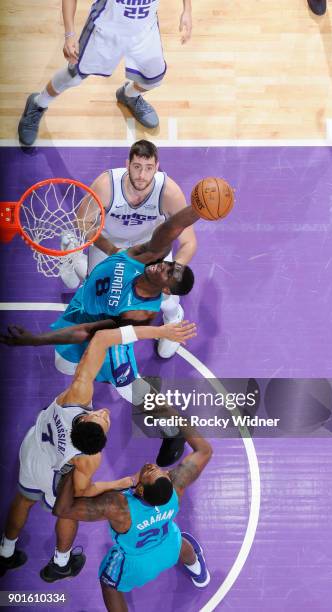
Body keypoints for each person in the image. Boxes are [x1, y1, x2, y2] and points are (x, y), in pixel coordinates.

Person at [0, 320, 196, 583]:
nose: (104, 413)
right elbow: (82, 493)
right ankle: (61, 563)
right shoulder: (87, 458)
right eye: (103, 419)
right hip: (53, 472)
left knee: (22, 500)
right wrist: (121, 482)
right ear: (82, 423)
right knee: (70, 512)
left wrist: (159, 332)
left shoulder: (75, 396)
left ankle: (5, 552)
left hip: (34, 447)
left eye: (102, 419)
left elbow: (103, 338)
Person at [0, 204, 202, 407]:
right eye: (169, 265)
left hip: (99, 326)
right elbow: (170, 229)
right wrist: (198, 209)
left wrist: (35, 339)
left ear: (165, 289)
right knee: (64, 364)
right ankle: (73, 256)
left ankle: (170, 421)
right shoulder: (146, 257)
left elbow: (89, 331)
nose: (163, 265)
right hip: (86, 296)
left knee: (125, 384)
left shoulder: (139, 312)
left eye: (167, 273)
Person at [53, 412, 212, 611]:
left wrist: (72, 465)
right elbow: (204, 451)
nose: (151, 466)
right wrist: (173, 415)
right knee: (178, 539)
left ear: (140, 489)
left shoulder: (117, 506)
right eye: (157, 470)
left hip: (137, 564)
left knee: (109, 583)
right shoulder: (176, 485)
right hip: (169, 546)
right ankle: (199, 572)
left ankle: (196, 567)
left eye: (149, 472)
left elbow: (63, 509)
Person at [62, 139, 197, 359]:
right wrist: (114, 251)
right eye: (137, 167)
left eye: (148, 168)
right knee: (98, 293)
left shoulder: (169, 192)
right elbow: (82, 221)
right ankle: (74, 257)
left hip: (151, 248)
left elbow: (189, 242)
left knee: (166, 297)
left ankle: (174, 316)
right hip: (109, 244)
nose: (142, 175)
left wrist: (174, 274)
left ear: (156, 166)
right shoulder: (107, 184)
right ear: (127, 164)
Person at [17, 0, 193, 145]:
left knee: (153, 79)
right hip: (104, 31)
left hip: (144, 31)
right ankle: (38, 103)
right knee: (74, 76)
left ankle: (128, 95)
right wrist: (69, 34)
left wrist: (187, 9)